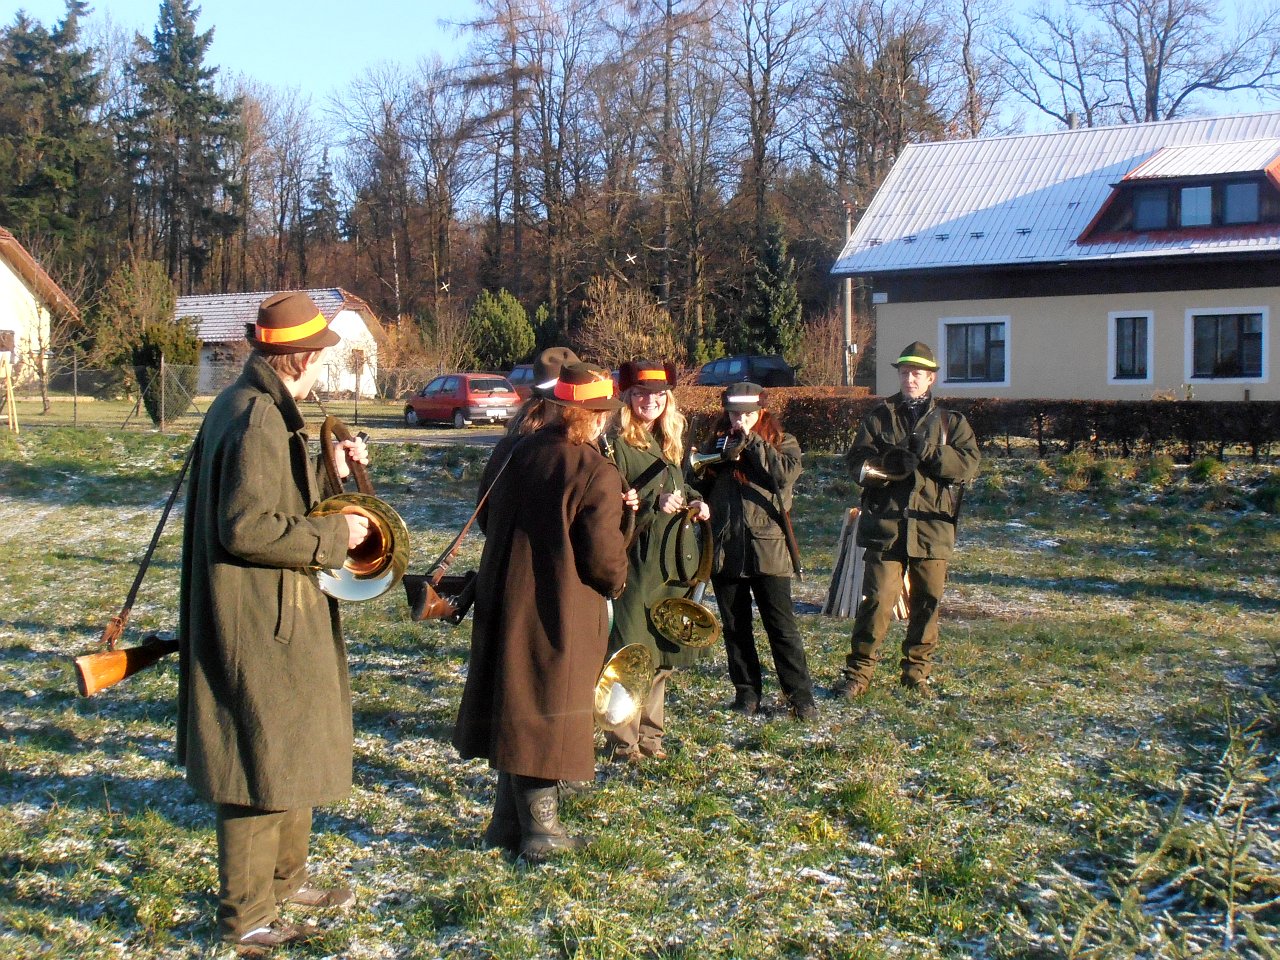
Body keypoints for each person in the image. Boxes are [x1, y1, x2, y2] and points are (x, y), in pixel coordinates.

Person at [178, 292, 371, 955]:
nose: (323, 367)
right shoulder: (257, 416)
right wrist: (335, 537)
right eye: (321, 356)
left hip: (277, 610)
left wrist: (327, 469)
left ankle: (286, 882)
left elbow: (271, 493)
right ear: (303, 358)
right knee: (254, 766)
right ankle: (247, 918)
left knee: (287, 751)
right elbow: (246, 526)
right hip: (258, 618)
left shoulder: (250, 404)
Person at [453, 362, 629, 860]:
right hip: (559, 608)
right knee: (545, 711)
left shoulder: (514, 451)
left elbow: (487, 517)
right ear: (594, 416)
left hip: (503, 596)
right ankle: (541, 832)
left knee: (515, 704)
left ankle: (505, 824)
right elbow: (603, 562)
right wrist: (619, 577)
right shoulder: (594, 471)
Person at [832, 341, 981, 699]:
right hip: (886, 526)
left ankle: (916, 674)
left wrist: (931, 453)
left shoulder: (951, 423)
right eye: (904, 372)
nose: (909, 379)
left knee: (927, 603)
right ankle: (858, 675)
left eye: (916, 373)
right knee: (876, 602)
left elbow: (968, 466)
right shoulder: (879, 417)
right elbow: (857, 464)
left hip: (932, 527)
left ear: (931, 379)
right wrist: (887, 467)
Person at [601, 360, 711, 762]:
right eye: (642, 394)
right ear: (628, 398)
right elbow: (609, 503)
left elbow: (682, 484)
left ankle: (651, 740)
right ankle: (623, 743)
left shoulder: (670, 438)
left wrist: (697, 502)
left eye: (659, 394)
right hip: (637, 563)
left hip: (673, 564)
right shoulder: (615, 443)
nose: (651, 401)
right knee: (630, 652)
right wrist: (651, 504)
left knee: (663, 654)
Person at [690, 382, 817, 721]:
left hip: (768, 548)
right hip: (726, 547)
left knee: (781, 627)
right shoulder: (716, 444)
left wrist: (752, 442)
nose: (739, 420)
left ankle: (800, 698)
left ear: (761, 412)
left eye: (747, 414)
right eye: (734, 414)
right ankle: (746, 694)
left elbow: (783, 475)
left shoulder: (782, 441)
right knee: (736, 627)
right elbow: (696, 482)